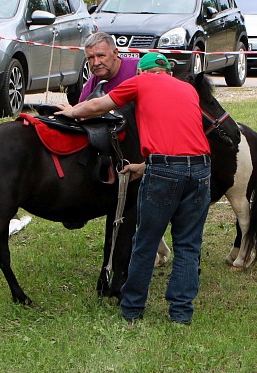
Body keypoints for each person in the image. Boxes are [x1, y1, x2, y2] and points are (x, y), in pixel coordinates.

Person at [58, 52, 211, 325]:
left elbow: (98, 106)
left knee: (145, 241)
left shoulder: (140, 82)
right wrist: (144, 167)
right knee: (188, 246)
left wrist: (71, 111)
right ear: (168, 73)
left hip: (165, 170)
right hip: (200, 170)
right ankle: (180, 314)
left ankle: (132, 309)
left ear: (142, 72)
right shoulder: (187, 89)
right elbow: (181, 140)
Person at [76, 31, 138, 101]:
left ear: (115, 53)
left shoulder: (139, 69)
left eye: (101, 56)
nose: (96, 63)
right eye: (91, 58)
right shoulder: (91, 87)